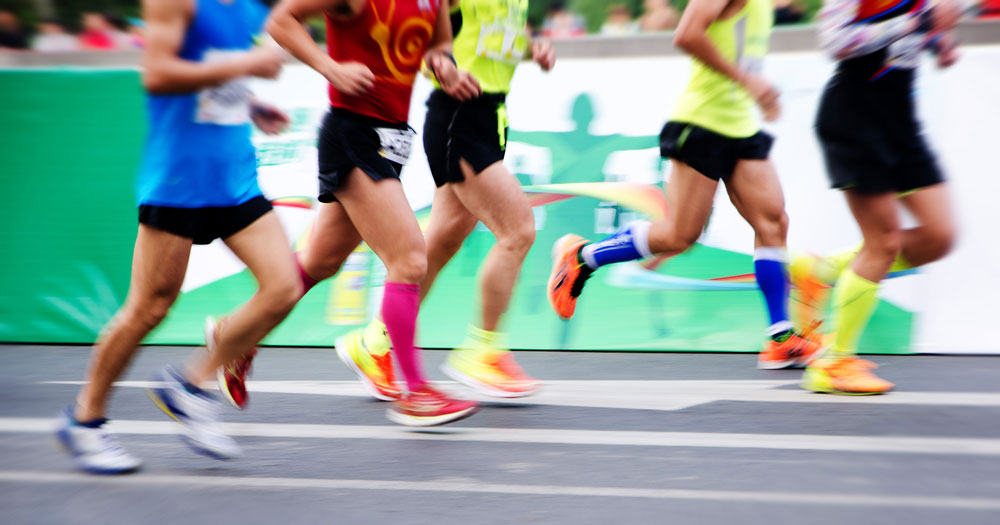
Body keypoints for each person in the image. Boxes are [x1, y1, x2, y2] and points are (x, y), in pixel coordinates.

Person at [55, 0, 299, 474]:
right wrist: (249, 64)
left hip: (233, 176)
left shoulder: (248, 6)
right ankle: (84, 420)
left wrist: (250, 103)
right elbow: (158, 74)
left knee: (283, 287)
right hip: (178, 180)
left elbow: (212, 66)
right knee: (149, 308)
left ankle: (191, 385)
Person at [547, 0, 823, 370]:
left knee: (774, 222)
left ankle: (780, 337)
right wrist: (749, 81)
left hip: (741, 127)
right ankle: (581, 258)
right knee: (680, 236)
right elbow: (687, 33)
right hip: (701, 125)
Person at [265, 0, 482, 426]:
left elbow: (438, 45)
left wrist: (445, 67)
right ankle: (416, 393)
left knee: (322, 261)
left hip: (392, 138)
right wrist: (331, 67)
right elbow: (280, 19)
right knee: (409, 259)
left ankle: (236, 335)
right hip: (353, 134)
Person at [329, 0, 555, 400]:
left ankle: (374, 343)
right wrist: (442, 69)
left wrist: (530, 46)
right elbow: (422, 42)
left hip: (492, 119)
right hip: (458, 118)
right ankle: (481, 349)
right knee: (517, 229)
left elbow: (489, 41)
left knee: (444, 239)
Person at [793, 0, 961, 395]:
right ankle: (833, 364)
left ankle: (819, 273)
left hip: (900, 121)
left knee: (939, 236)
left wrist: (940, 39)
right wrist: (916, 21)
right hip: (854, 116)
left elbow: (918, 39)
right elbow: (834, 41)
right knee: (882, 243)